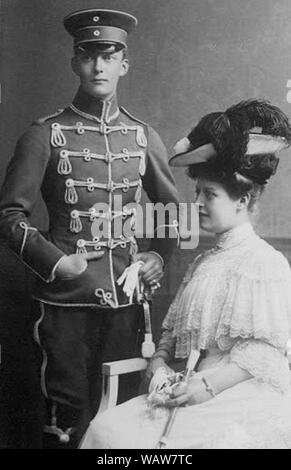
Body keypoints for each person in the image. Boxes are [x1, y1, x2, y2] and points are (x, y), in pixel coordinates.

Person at [0, 9, 179, 448]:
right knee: (66, 415)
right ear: (75, 62)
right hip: (65, 304)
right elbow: (9, 215)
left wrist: (156, 255)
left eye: (109, 55)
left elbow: (174, 212)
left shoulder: (142, 136)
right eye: (88, 56)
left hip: (125, 301)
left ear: (124, 64)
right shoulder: (45, 133)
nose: (98, 66)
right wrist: (57, 262)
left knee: (120, 414)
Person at [80, 99, 291, 449]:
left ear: (243, 199)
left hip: (240, 396)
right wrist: (160, 365)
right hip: (188, 388)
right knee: (108, 430)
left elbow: (265, 355)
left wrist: (206, 387)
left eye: (210, 194)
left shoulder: (265, 265)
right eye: (197, 192)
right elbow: (171, 338)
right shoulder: (203, 264)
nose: (197, 203)